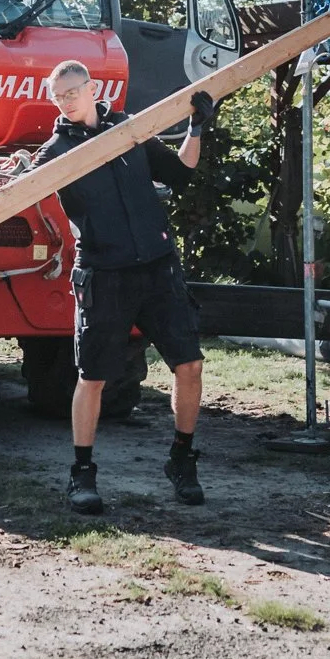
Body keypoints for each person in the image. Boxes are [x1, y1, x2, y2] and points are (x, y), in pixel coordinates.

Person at [33, 59, 215, 516]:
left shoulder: (129, 132)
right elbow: (18, 194)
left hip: (158, 268)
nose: (66, 101)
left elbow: (180, 174)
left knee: (189, 365)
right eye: (58, 96)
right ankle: (82, 474)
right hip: (104, 274)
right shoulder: (56, 152)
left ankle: (182, 459)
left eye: (72, 92)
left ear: (92, 88)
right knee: (93, 378)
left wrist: (195, 128)